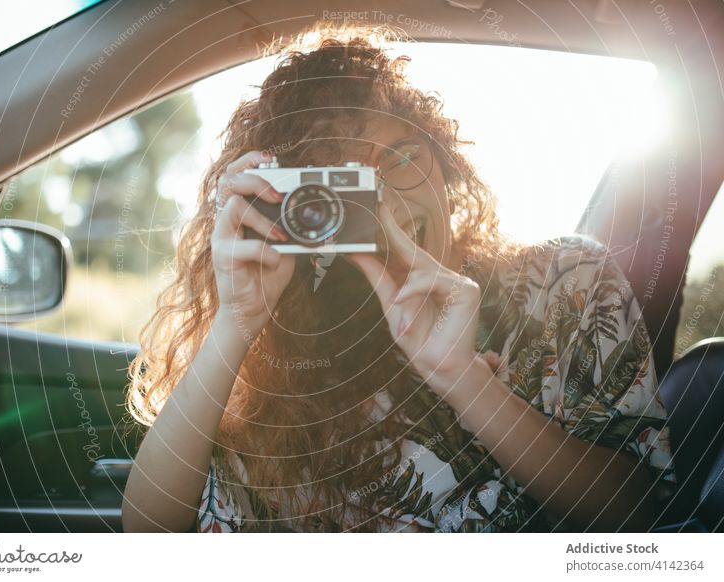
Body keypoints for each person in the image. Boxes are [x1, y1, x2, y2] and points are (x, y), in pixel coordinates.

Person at [121, 24, 674, 533]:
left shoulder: (562, 281)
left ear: (444, 158)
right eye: (345, 182)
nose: (385, 199)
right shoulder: (287, 352)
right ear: (294, 207)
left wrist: (463, 380)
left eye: (401, 156)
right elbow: (147, 532)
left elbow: (634, 514)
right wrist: (234, 325)